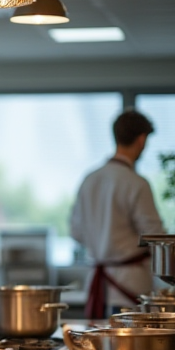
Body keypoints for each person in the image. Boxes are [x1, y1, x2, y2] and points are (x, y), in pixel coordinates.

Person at [70, 108, 165, 319]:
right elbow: (155, 236)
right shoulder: (136, 183)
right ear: (141, 140)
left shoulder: (89, 179)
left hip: (98, 286)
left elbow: (76, 232)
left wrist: (102, 242)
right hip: (129, 287)